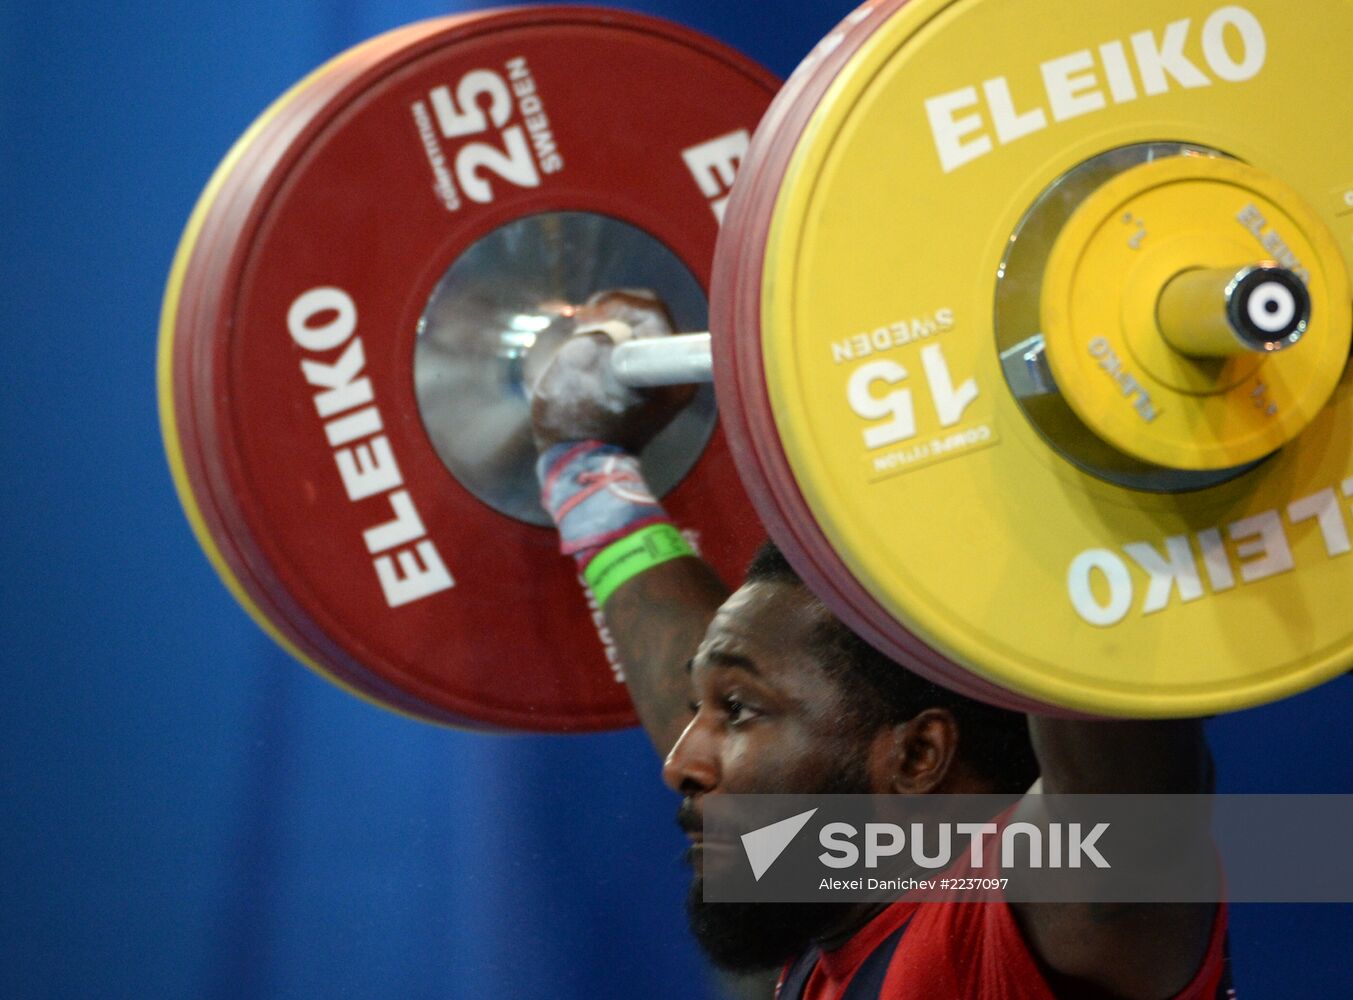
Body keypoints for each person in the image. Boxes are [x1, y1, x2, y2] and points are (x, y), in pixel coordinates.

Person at [530, 291, 1231, 999]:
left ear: (919, 755)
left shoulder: (989, 933)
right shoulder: (838, 930)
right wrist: (587, 475)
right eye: (704, 709)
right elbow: (722, 680)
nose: (681, 761)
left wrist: (1085, 426)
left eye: (737, 711)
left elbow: (1129, 822)